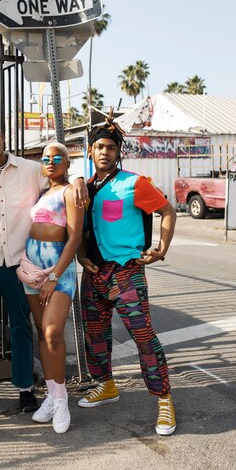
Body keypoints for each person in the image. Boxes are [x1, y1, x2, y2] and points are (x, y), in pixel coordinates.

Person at [0, 120, 88, 413]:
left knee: (21, 325)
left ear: (3, 137)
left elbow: (59, 181)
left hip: (17, 261)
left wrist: (79, 179)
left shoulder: (30, 170)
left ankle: (26, 388)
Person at [77, 114, 177, 436]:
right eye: (99, 147)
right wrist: (80, 254)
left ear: (118, 152)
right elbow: (79, 229)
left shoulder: (134, 183)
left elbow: (167, 210)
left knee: (143, 335)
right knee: (95, 334)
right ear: (90, 151)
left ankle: (164, 400)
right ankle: (106, 385)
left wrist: (161, 247)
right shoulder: (87, 188)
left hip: (126, 272)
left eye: (110, 147)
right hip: (94, 273)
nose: (104, 152)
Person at [20, 142, 84, 433]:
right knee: (41, 336)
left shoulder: (71, 192)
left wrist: (55, 276)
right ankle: (53, 395)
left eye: (57, 158)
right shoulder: (43, 191)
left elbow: (74, 238)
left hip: (58, 271)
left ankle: (62, 401)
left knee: (52, 332)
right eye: (45, 158)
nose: (50, 162)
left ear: (68, 163)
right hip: (34, 271)